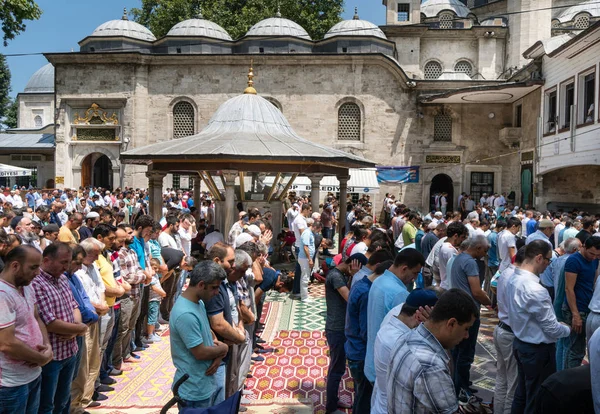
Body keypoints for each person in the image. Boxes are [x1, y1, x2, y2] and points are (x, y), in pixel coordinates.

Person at [387, 289, 479, 414]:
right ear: (451, 323)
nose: (466, 336)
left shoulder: (407, 337)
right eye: (466, 328)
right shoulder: (430, 366)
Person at [505, 240, 571, 414]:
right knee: (536, 399)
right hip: (537, 350)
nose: (549, 265)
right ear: (539, 258)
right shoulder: (535, 289)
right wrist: (567, 328)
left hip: (521, 343)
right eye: (549, 260)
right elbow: (552, 328)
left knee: (523, 393)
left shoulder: (513, 278)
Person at [31, 242, 88, 414]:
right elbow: (49, 322)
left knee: (64, 400)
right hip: (53, 356)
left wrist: (76, 329)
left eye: (68, 262)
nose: (67, 266)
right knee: (48, 404)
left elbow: (74, 306)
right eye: (63, 262)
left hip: (70, 350)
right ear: (47, 260)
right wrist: (78, 329)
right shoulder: (37, 283)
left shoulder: (62, 278)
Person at [169, 261, 229, 409]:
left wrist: (218, 354)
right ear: (201, 285)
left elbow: (208, 333)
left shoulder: (198, 303)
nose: (217, 292)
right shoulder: (186, 314)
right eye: (214, 288)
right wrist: (224, 349)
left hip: (204, 383)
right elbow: (200, 352)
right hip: (193, 390)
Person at [0, 246, 53, 414]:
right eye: (33, 267)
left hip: (32, 374)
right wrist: (41, 358)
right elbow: (7, 344)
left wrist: (47, 346)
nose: (38, 273)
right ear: (15, 266)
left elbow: (36, 317)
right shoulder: (2, 295)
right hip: (11, 383)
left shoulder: (26, 286)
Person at [371, 288, 439, 414]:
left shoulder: (392, 321)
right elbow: (434, 385)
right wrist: (434, 332)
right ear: (419, 316)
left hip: (382, 403)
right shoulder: (402, 342)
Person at [365, 249, 425, 384]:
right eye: (415, 273)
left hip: (372, 359)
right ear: (404, 268)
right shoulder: (399, 293)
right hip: (386, 367)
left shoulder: (379, 280)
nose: (414, 278)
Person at [345, 259, 393, 414]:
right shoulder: (367, 292)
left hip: (353, 347)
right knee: (364, 397)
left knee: (360, 395)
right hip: (360, 352)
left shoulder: (360, 283)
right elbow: (366, 330)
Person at [449, 235, 493, 402]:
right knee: (465, 353)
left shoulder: (459, 258)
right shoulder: (470, 262)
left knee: (458, 351)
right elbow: (476, 291)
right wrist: (491, 304)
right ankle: (461, 388)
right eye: (485, 250)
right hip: (468, 312)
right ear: (478, 248)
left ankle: (461, 384)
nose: (485, 254)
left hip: (459, 307)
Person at [325, 254, 365, 413]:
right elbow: (350, 298)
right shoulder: (335, 276)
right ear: (352, 264)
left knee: (339, 366)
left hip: (340, 327)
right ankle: (331, 408)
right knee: (337, 368)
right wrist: (356, 277)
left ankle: (334, 400)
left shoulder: (340, 275)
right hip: (337, 328)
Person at [563, 236, 600, 369]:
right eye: (591, 253)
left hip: (588, 307)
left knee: (584, 348)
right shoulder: (574, 261)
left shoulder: (595, 260)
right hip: (576, 309)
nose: (593, 257)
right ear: (583, 246)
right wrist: (575, 315)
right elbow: (569, 289)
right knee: (575, 350)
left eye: (597, 255)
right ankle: (568, 383)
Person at [147, 258, 166, 343]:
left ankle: (153, 332)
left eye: (157, 268)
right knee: (152, 317)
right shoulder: (151, 277)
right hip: (152, 299)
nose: (156, 270)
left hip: (156, 299)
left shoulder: (155, 276)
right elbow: (154, 287)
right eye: (154, 268)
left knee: (154, 317)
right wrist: (163, 293)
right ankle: (150, 335)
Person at [298, 218, 315, 302]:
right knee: (305, 277)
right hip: (305, 258)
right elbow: (305, 247)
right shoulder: (307, 233)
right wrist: (309, 259)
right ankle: (304, 297)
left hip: (306, 258)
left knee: (306, 276)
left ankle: (305, 295)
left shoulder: (308, 232)